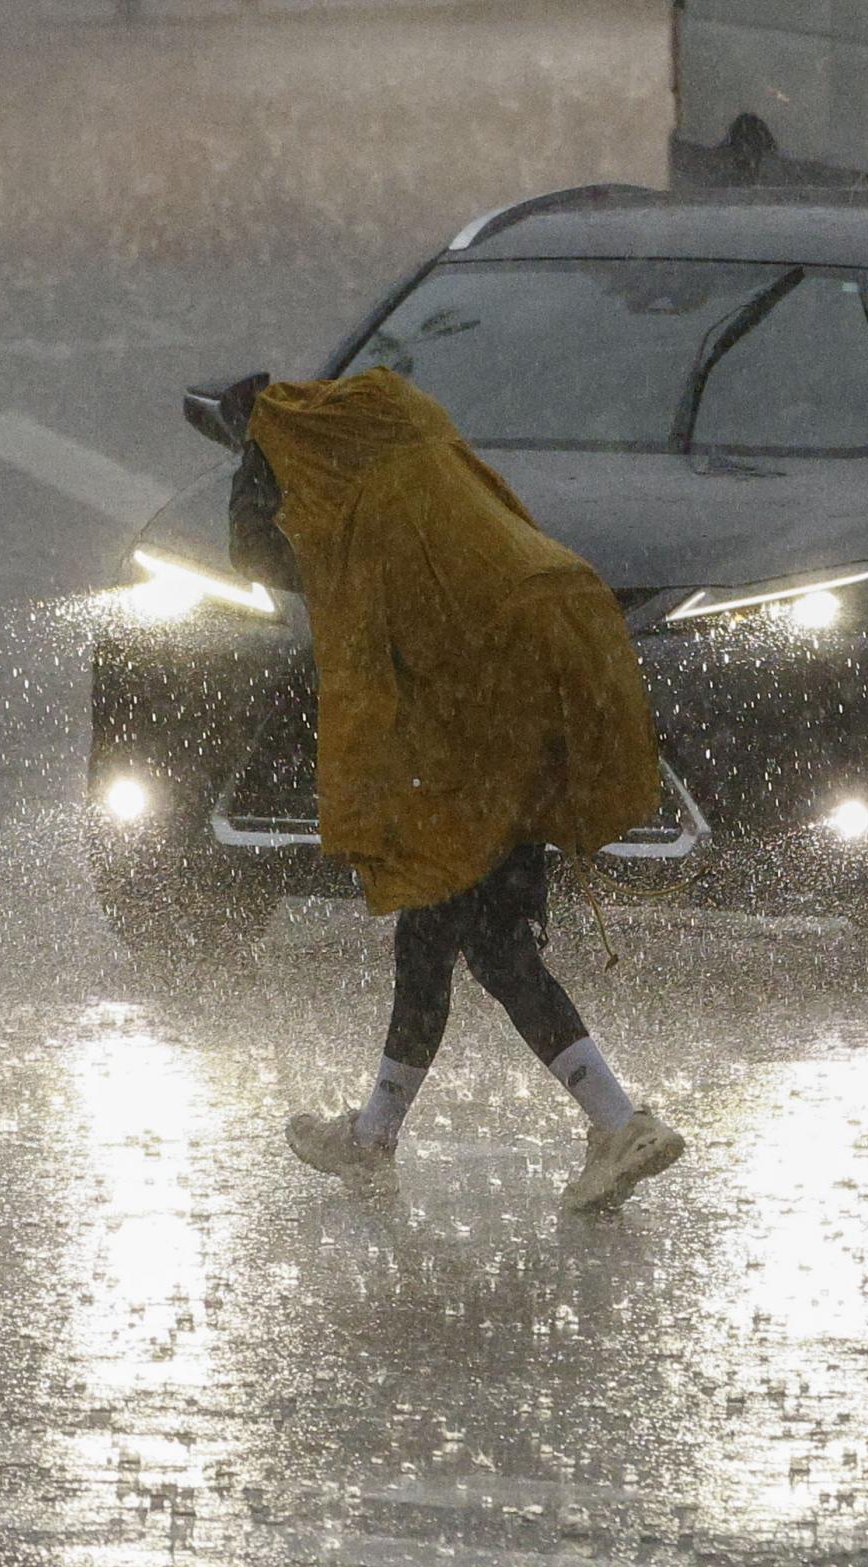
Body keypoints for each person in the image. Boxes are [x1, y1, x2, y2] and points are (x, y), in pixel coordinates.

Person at [228, 367, 685, 1211]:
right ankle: (373, 1137)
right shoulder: (428, 456)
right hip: (514, 725)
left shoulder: (366, 508)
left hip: (466, 757)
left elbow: (263, 557)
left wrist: (254, 462)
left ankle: (620, 1125)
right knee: (434, 942)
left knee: (495, 950)